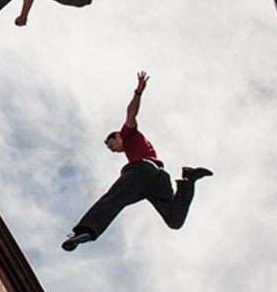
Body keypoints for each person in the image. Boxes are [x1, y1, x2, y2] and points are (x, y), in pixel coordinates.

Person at [62, 71, 213, 251]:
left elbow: (131, 114)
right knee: (174, 220)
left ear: (117, 136)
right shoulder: (135, 146)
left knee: (114, 198)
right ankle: (188, 180)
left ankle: (84, 230)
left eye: (113, 146)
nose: (116, 150)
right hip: (158, 177)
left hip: (142, 172)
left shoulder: (127, 134)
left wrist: (138, 93)